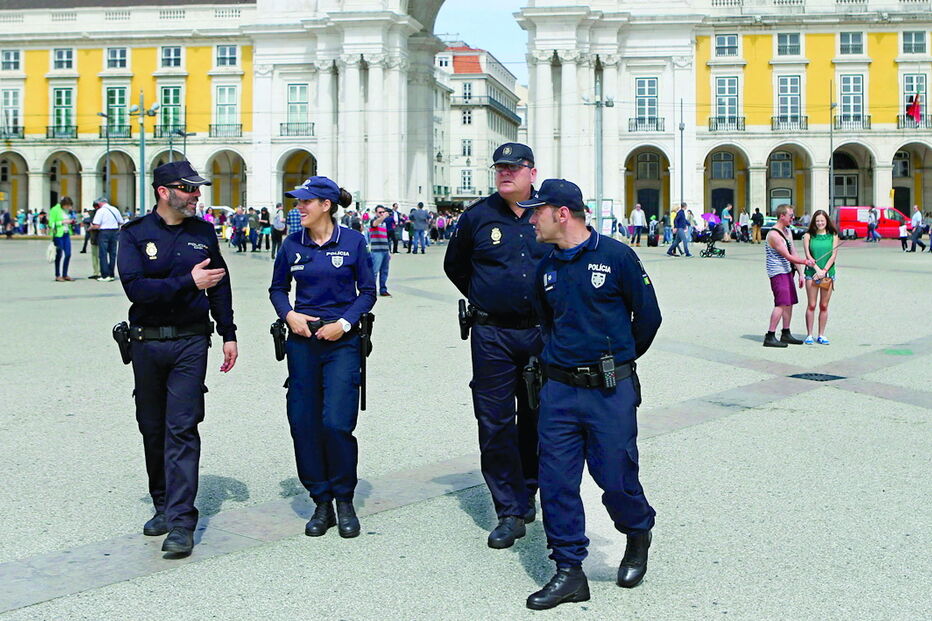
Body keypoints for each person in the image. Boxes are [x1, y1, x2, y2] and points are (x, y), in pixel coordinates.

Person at [522, 179, 661, 610]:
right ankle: (569, 571)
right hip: (559, 391)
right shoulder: (546, 266)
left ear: (561, 213)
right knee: (557, 482)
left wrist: (615, 363)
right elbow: (546, 322)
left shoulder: (617, 256)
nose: (530, 219)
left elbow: (649, 319)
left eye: (536, 211)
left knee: (616, 478)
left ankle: (637, 532)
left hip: (608, 391)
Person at [117, 160, 238, 556]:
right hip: (146, 342)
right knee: (151, 426)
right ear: (164, 191)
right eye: (188, 189)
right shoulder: (134, 235)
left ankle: (183, 521)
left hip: (189, 341)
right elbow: (137, 289)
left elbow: (219, 284)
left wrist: (228, 333)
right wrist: (188, 282)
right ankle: (163, 504)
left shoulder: (203, 232)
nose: (196, 195)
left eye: (197, 189)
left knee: (183, 427)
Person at [444, 142, 548, 549]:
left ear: (531, 173)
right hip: (492, 335)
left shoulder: (547, 213)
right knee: (494, 420)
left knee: (538, 416)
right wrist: (487, 296)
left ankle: (531, 490)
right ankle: (508, 507)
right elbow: (456, 266)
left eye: (514, 167)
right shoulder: (477, 217)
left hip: (541, 332)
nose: (505, 173)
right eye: (500, 167)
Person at [269, 176, 376, 539]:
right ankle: (321, 501)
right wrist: (289, 315)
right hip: (302, 340)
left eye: (306, 202)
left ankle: (344, 499)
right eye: (298, 202)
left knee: (336, 422)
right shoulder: (291, 244)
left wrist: (345, 323)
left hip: (341, 340)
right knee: (303, 422)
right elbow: (278, 288)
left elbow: (368, 292)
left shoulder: (353, 242)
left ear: (326, 205)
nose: (299, 208)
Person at [763, 204, 815, 347]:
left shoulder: (787, 231)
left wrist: (800, 273)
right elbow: (787, 256)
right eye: (791, 215)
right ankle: (770, 335)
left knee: (789, 303)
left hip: (787, 271)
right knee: (780, 304)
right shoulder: (774, 235)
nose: (793, 218)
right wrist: (806, 262)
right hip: (777, 273)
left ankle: (786, 333)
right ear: (782, 216)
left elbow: (793, 252)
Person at [802, 210, 839, 345]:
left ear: (826, 221)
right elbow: (808, 256)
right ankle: (809, 335)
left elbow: (833, 255)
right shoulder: (808, 236)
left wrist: (823, 271)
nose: (820, 223)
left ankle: (821, 334)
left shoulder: (833, 236)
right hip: (812, 274)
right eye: (817, 221)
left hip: (827, 274)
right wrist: (817, 269)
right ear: (814, 222)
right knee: (811, 304)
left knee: (824, 305)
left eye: (822, 220)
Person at [91, 196, 125, 281]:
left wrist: (91, 227)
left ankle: (105, 275)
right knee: (113, 254)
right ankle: (111, 274)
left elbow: (97, 225)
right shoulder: (115, 209)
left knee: (103, 254)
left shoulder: (100, 211)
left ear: (100, 203)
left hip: (104, 232)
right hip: (114, 232)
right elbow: (121, 221)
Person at [48, 197, 75, 282]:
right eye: (68, 206)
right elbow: (51, 223)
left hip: (66, 233)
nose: (68, 208)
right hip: (58, 235)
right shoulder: (54, 210)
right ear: (64, 205)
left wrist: (71, 222)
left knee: (68, 254)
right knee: (59, 255)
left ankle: (65, 274)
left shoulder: (67, 211)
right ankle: (57, 275)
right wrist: (62, 222)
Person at [368, 204, 392, 297]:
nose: (382, 214)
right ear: (376, 213)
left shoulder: (384, 224)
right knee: (374, 272)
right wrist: (383, 217)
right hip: (376, 251)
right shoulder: (374, 221)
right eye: (380, 212)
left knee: (384, 271)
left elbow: (386, 238)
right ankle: (371, 291)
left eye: (383, 212)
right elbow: (375, 224)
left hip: (385, 250)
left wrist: (388, 251)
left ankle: (383, 289)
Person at [86, 200, 102, 279]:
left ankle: (96, 272)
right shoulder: (102, 212)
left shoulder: (93, 213)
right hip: (102, 236)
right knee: (102, 255)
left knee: (95, 255)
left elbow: (90, 222)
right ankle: (102, 271)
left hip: (94, 237)